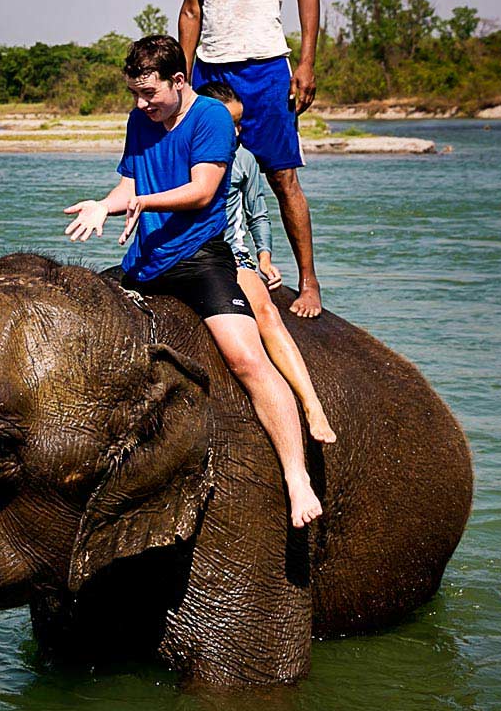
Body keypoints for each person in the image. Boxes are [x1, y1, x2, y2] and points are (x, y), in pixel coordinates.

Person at [62, 35, 322, 529]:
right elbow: (130, 184)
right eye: (136, 96)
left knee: (247, 359)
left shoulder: (212, 117)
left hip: (200, 260)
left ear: (179, 82)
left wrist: (142, 203)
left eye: (150, 95)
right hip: (145, 262)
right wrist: (105, 203)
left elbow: (203, 192)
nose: (142, 105)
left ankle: (296, 476)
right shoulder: (141, 120)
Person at [180, 0, 327, 317]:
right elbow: (191, 9)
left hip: (266, 69)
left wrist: (305, 62)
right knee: (203, 176)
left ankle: (308, 284)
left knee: (283, 178)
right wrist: (182, 82)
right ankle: (206, 268)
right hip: (209, 71)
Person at [217, 89, 337, 444]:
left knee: (267, 314)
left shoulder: (245, 160)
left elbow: (258, 213)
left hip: (235, 256)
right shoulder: (189, 155)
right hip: (196, 255)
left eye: (240, 124)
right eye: (230, 125)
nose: (237, 133)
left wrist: (264, 256)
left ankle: (312, 404)